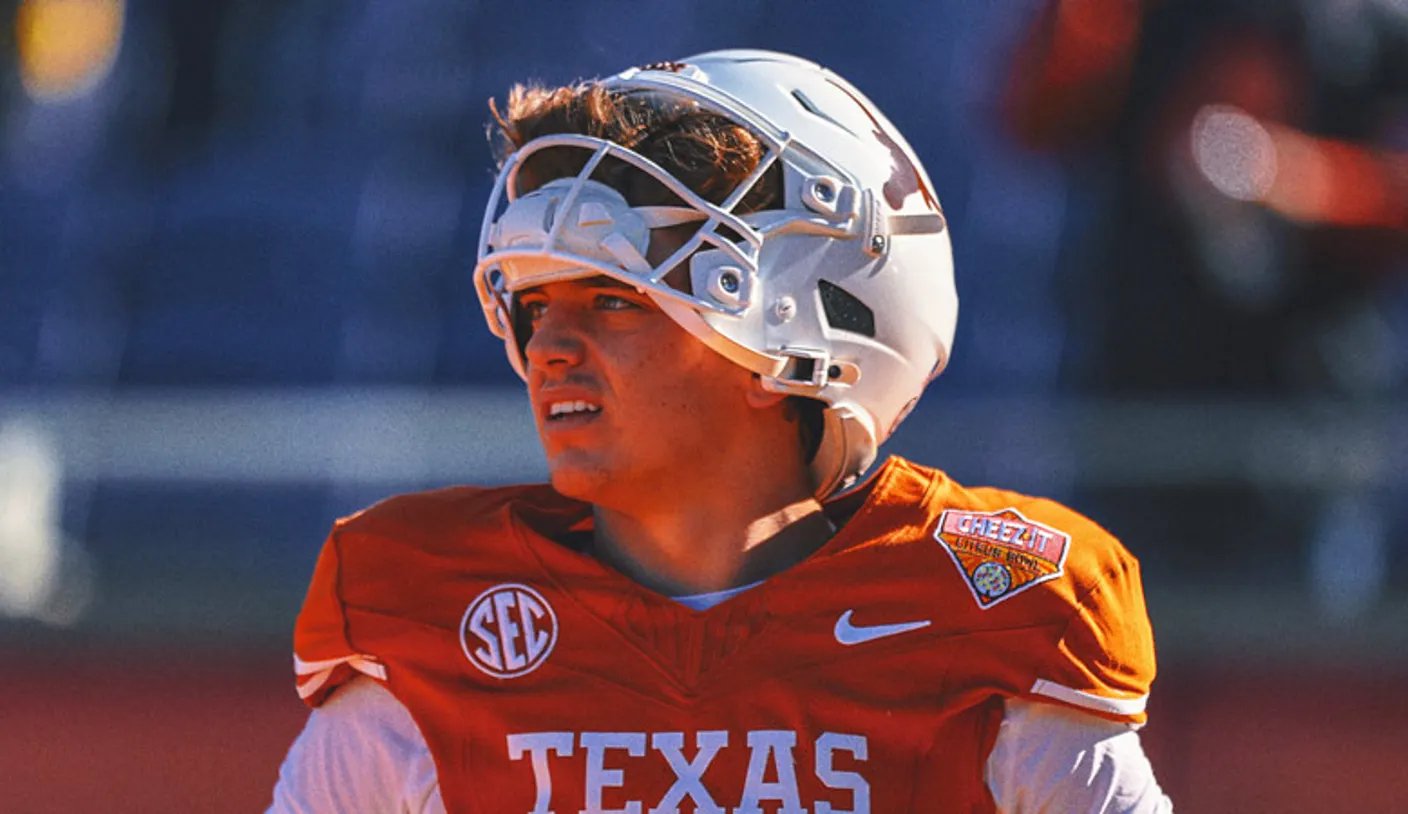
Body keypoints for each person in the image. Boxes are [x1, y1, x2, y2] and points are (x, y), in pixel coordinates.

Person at [268, 50, 1172, 813]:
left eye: (614, 299)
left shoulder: (982, 620)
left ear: (793, 332)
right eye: (535, 305)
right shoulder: (429, 643)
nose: (548, 347)